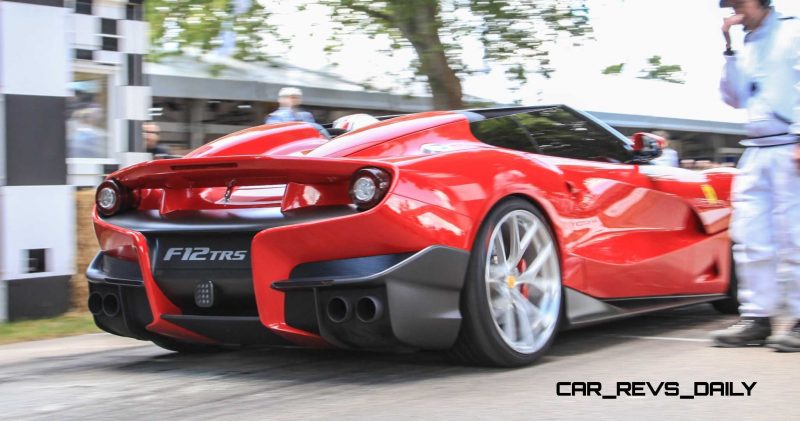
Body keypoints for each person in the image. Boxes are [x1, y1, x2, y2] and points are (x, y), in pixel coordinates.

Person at [710, 0, 800, 352]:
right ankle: (756, 318)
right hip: (756, 148)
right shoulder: (745, 42)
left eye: (740, 2)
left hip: (790, 145)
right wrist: (729, 47)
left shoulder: (792, 30)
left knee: (795, 235)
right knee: (750, 238)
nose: (735, 10)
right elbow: (733, 98)